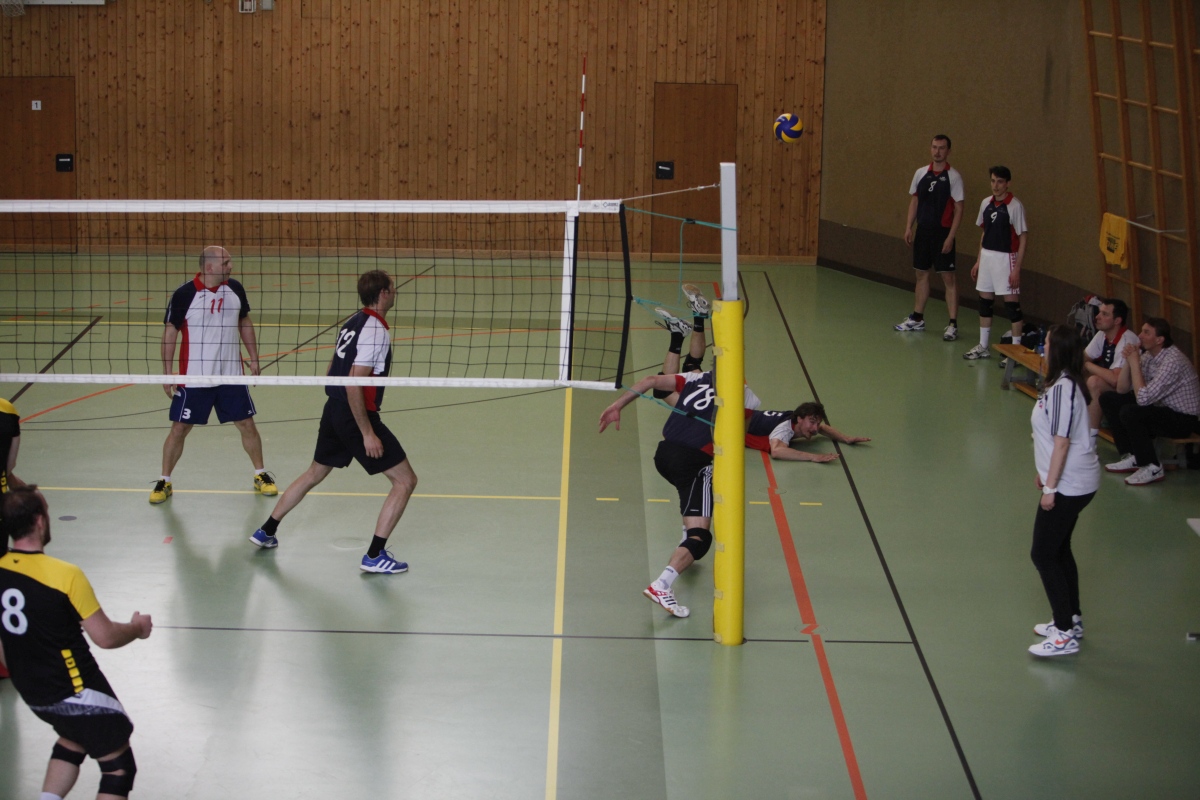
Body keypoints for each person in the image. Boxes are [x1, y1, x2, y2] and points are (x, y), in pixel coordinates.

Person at [250, 270, 418, 574]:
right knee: (405, 481)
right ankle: (374, 555)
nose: (395, 292)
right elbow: (353, 383)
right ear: (383, 293)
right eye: (392, 288)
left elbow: (332, 368)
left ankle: (266, 530)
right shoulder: (375, 331)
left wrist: (337, 408)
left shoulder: (354, 321)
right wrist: (366, 432)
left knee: (315, 472)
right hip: (355, 414)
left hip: (335, 409)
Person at [0, 485, 153, 797]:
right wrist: (137, 628)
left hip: (33, 691)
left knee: (73, 737)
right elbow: (105, 637)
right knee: (119, 768)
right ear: (40, 521)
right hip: (76, 690)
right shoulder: (64, 575)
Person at [598, 368, 761, 619]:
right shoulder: (747, 396)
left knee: (690, 498)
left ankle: (684, 542)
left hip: (664, 455)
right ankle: (662, 585)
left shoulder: (698, 377)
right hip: (694, 463)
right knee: (700, 538)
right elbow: (736, 440)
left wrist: (617, 405)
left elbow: (651, 381)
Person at [153, 245, 276, 504]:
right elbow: (170, 331)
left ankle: (260, 474)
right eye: (226, 262)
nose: (231, 266)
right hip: (195, 376)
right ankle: (164, 480)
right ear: (209, 267)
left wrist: (254, 357)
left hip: (231, 375)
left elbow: (244, 321)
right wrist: (167, 372)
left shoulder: (235, 289)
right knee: (179, 428)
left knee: (247, 424)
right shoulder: (185, 294)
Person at [1027, 326, 1100, 657]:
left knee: (1042, 554)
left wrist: (1051, 487)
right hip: (1066, 480)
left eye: (1045, 343)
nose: (1042, 347)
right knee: (1058, 549)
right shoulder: (1060, 384)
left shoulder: (1064, 389)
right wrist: (1044, 473)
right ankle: (1071, 618)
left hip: (1071, 485)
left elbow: (1062, 442)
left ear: (1056, 350)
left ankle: (1064, 634)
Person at [1099, 317, 1200, 485]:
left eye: (1146, 332)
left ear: (1159, 340)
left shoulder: (1173, 361)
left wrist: (1135, 363)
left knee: (1131, 412)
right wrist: (1129, 361)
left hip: (1183, 420)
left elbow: (1143, 399)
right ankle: (1132, 456)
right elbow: (1122, 389)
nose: (1140, 336)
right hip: (1161, 408)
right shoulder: (1149, 356)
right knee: (1109, 399)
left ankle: (1152, 466)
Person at [895, 135, 965, 341]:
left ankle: (952, 324)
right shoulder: (920, 173)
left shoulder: (954, 177)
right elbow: (915, 201)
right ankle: (917, 318)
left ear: (948, 151)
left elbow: (959, 209)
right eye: (934, 147)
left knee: (948, 278)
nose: (937, 152)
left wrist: (950, 236)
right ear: (930, 149)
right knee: (921, 274)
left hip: (942, 233)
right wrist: (909, 227)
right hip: (923, 232)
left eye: (942, 148)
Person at [964, 166, 1028, 360]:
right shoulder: (986, 203)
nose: (996, 185)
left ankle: (1015, 353)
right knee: (985, 303)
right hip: (987, 258)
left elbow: (1023, 237)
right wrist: (978, 261)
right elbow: (985, 233)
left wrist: (1016, 269)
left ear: (1007, 183)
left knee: (1012, 307)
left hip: (1006, 259)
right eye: (993, 181)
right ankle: (983, 346)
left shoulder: (1015, 206)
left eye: (1000, 182)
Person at [1081, 298, 1139, 440]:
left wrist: (1088, 365)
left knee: (1094, 382)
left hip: (1131, 393)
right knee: (1076, 375)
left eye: (1105, 314)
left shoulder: (1126, 341)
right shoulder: (1103, 334)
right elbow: (1082, 359)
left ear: (1117, 320)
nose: (1097, 317)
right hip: (1115, 387)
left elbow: (1116, 380)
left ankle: (1090, 439)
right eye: (1099, 312)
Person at [745, 402, 871, 462]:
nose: (815, 429)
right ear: (800, 418)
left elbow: (823, 428)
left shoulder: (796, 420)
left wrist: (846, 438)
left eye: (817, 423)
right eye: (812, 422)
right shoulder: (785, 429)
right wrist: (814, 457)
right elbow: (777, 451)